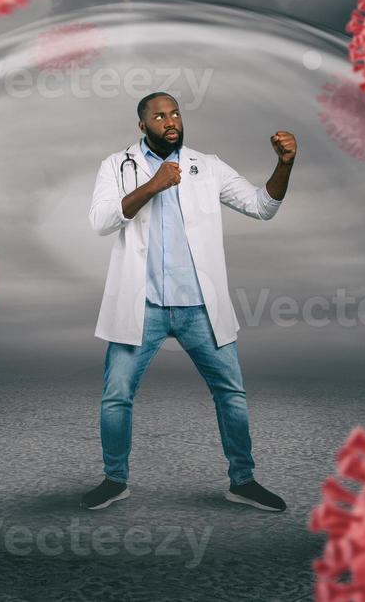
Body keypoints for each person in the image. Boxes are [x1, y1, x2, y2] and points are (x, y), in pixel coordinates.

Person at [82, 91, 296, 512]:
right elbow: (101, 221)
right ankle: (114, 480)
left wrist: (284, 165)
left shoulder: (207, 166)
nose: (170, 120)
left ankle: (242, 480)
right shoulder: (116, 165)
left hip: (200, 307)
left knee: (231, 394)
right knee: (116, 396)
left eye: (175, 112)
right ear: (143, 126)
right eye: (159, 116)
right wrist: (153, 184)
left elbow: (261, 206)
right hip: (141, 306)